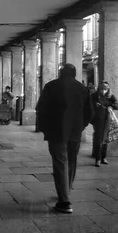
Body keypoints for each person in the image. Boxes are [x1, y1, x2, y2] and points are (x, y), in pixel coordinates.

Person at [36, 64, 93, 214]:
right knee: (72, 161)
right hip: (75, 132)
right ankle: (65, 191)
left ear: (61, 73)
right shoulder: (82, 89)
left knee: (60, 162)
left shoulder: (50, 86)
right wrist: (81, 126)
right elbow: (89, 112)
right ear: (74, 74)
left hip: (56, 132)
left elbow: (41, 108)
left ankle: (65, 200)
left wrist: (44, 128)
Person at [91, 81, 118, 167]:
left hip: (108, 120)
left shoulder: (110, 96)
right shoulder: (94, 96)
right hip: (98, 120)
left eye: (105, 89)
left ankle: (103, 157)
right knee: (98, 138)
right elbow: (89, 104)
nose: (103, 90)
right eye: (102, 89)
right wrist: (94, 105)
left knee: (105, 138)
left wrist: (112, 105)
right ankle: (98, 159)